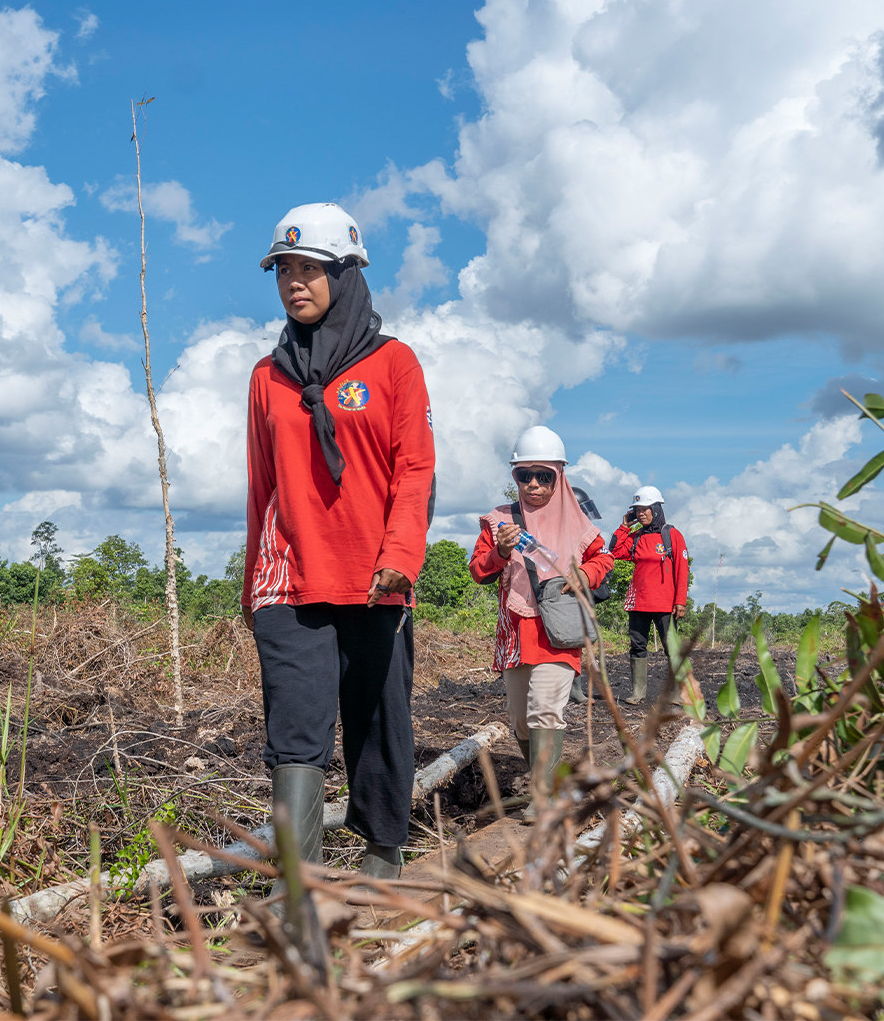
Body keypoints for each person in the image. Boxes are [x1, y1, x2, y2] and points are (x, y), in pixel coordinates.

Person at [241, 202, 436, 882]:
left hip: (375, 576)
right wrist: (251, 588)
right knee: (295, 729)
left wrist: (399, 559)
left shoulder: (393, 365)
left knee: (378, 718)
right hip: (289, 578)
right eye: (284, 271)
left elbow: (415, 471)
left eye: (311, 269)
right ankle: (302, 881)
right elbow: (261, 486)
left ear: (347, 273)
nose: (295, 282)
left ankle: (384, 858)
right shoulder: (268, 377)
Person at [469, 426, 613, 814]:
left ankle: (544, 796)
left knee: (545, 708)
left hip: (558, 631)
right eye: (525, 475)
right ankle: (546, 781)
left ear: (559, 476)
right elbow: (478, 570)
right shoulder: (499, 520)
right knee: (520, 720)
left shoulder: (578, 520)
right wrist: (500, 551)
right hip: (516, 632)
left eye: (544, 476)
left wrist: (585, 574)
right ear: (514, 476)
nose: (534, 484)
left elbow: (604, 558)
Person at [610, 486, 689, 705]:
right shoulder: (635, 537)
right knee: (637, 646)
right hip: (638, 602)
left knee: (671, 647)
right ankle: (638, 692)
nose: (641, 514)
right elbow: (616, 552)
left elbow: (682, 570)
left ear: (655, 509)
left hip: (665, 603)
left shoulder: (671, 535)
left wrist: (680, 602)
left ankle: (676, 694)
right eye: (637, 510)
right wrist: (624, 526)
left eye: (645, 509)